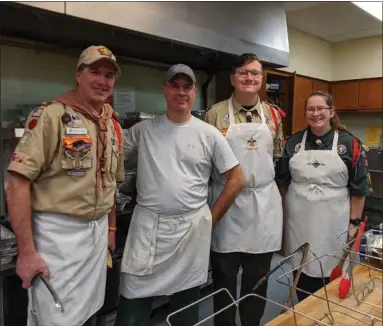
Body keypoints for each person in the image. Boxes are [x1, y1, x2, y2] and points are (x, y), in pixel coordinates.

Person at [114, 64, 245, 326]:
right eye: (175, 85)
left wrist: (210, 218)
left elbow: (237, 178)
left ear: (194, 92)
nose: (181, 91)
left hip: (190, 229)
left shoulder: (208, 134)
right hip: (148, 227)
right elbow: (113, 162)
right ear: (165, 89)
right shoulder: (143, 131)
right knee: (132, 300)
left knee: (186, 306)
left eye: (187, 86)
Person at [6, 45, 125, 326]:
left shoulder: (111, 124)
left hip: (95, 237)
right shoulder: (50, 116)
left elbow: (109, 185)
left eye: (109, 75)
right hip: (57, 238)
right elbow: (16, 183)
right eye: (94, 72)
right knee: (55, 317)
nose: (102, 81)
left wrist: (110, 229)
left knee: (90, 310)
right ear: (78, 75)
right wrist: (26, 253)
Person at [204, 53, 285, 326]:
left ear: (261, 79)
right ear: (232, 79)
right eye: (243, 72)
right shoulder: (214, 113)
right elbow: (206, 162)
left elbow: (275, 155)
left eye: (255, 73)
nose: (249, 78)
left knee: (258, 277)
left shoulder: (273, 115)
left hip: (262, 205)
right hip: (226, 205)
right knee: (224, 277)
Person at [275, 90, 370, 302]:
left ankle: (325, 310)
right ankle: (303, 305)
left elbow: (359, 189)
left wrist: (354, 222)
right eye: (310, 109)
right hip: (298, 219)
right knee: (301, 267)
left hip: (334, 220)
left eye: (321, 109)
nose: (315, 113)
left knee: (330, 267)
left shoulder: (351, 144)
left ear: (331, 112)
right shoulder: (293, 142)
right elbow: (282, 183)